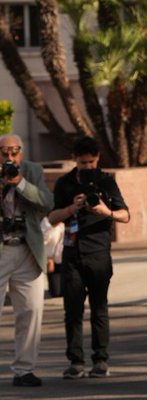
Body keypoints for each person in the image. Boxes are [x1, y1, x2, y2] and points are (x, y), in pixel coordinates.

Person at [47, 137, 130, 379]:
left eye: (91, 162)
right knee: (72, 309)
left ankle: (101, 358)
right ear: (75, 159)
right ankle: (75, 361)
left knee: (99, 307)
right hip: (72, 253)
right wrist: (72, 208)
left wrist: (105, 210)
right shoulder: (64, 183)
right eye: (83, 163)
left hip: (98, 252)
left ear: (98, 158)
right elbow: (52, 218)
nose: (88, 167)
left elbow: (125, 215)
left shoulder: (105, 181)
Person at [0, 133, 53, 387]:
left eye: (14, 151)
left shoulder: (32, 170)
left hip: (27, 249)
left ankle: (24, 370)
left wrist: (20, 182)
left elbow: (47, 202)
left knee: (31, 311)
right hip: (2, 249)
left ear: (21, 152)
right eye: (4, 152)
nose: (9, 157)